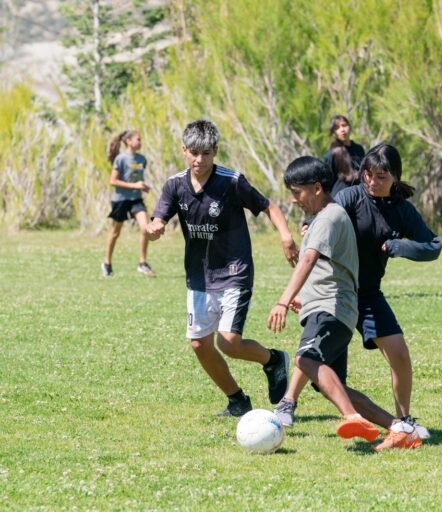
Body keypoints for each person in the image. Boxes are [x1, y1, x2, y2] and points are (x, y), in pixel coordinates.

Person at [275, 144, 442, 439]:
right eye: (367, 175)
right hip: (336, 290)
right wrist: (307, 227)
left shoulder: (402, 211)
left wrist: (399, 246)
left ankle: (403, 420)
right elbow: (326, 216)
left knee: (399, 354)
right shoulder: (351, 197)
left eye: (381, 177)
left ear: (395, 177)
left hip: (367, 293)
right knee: (313, 349)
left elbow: (433, 247)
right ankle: (288, 402)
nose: (372, 183)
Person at [145, 119, 299, 417]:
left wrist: (285, 235)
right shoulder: (175, 185)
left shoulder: (231, 181)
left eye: (206, 153)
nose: (199, 160)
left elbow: (269, 206)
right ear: (184, 150)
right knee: (200, 344)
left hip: (234, 271)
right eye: (193, 152)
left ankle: (272, 360)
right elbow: (159, 217)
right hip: (199, 276)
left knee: (228, 342)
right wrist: (154, 227)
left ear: (215, 151)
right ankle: (237, 400)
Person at [102, 129, 155, 277]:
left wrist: (143, 186)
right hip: (120, 200)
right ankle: (107, 263)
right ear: (128, 141)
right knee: (115, 233)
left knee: (146, 228)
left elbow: (136, 178)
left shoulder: (142, 159)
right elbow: (113, 181)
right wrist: (135, 186)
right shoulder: (120, 159)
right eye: (138, 139)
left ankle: (142, 263)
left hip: (136, 200)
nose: (140, 142)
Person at [322, 115, 365, 196]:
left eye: (344, 125)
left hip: (359, 194)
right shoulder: (331, 154)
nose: (342, 130)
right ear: (333, 132)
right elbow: (326, 182)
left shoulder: (359, 149)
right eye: (337, 128)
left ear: (349, 127)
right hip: (340, 197)